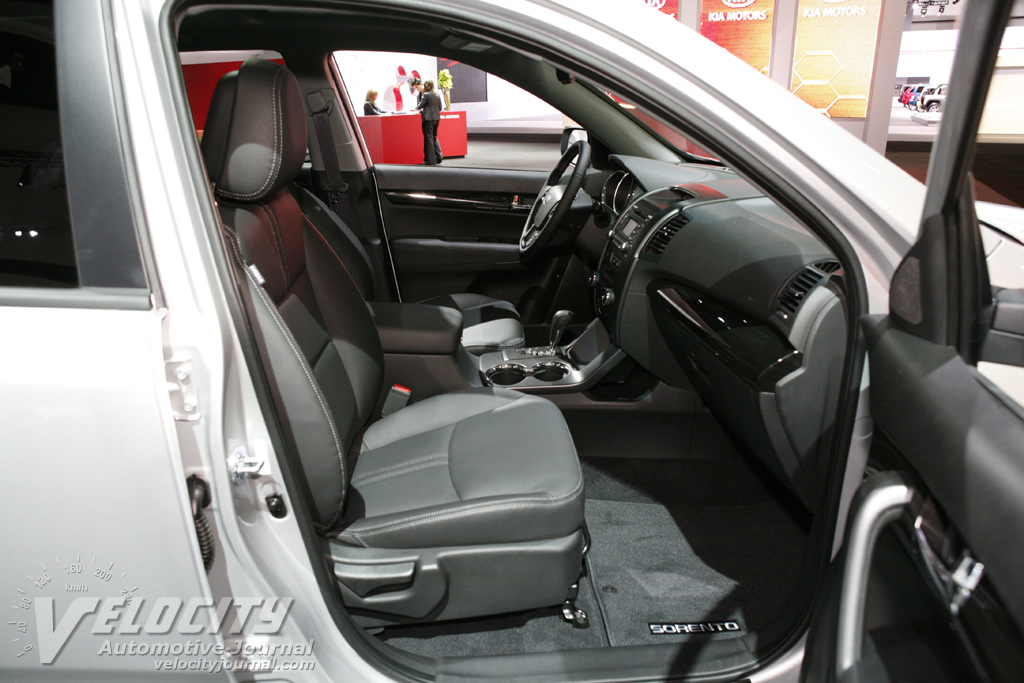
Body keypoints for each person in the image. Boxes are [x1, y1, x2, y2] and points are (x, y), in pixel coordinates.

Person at [416, 79, 443, 165]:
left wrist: (415, 108)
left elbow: (420, 106)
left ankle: (431, 160)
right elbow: (440, 108)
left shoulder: (426, 95)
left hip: (428, 119)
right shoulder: (437, 94)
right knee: (434, 137)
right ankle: (439, 156)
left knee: (429, 139)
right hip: (436, 118)